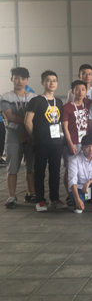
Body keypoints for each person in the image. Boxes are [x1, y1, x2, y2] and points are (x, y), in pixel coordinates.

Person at [24, 70, 66, 212]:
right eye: (48, 80)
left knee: (55, 172)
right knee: (40, 172)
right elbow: (27, 121)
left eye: (54, 80)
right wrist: (35, 136)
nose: (51, 83)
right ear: (43, 82)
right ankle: (40, 200)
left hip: (56, 143)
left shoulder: (58, 102)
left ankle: (54, 198)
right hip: (41, 143)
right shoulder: (36, 101)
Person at [1, 67, 36, 208]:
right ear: (12, 79)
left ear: (27, 80)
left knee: (31, 166)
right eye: (16, 78)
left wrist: (29, 127)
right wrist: (28, 120)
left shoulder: (33, 97)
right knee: (12, 167)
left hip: (30, 134)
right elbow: (10, 116)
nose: (19, 81)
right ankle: (12, 196)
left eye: (23, 78)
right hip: (13, 136)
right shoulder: (6, 97)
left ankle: (31, 193)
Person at [62, 80, 92, 198]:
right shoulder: (67, 107)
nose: (80, 92)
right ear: (73, 91)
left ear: (86, 91)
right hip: (72, 143)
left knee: (86, 169)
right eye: (77, 89)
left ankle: (85, 195)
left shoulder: (88, 103)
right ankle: (70, 195)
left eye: (83, 89)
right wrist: (70, 144)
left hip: (86, 144)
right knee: (70, 170)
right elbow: (65, 127)